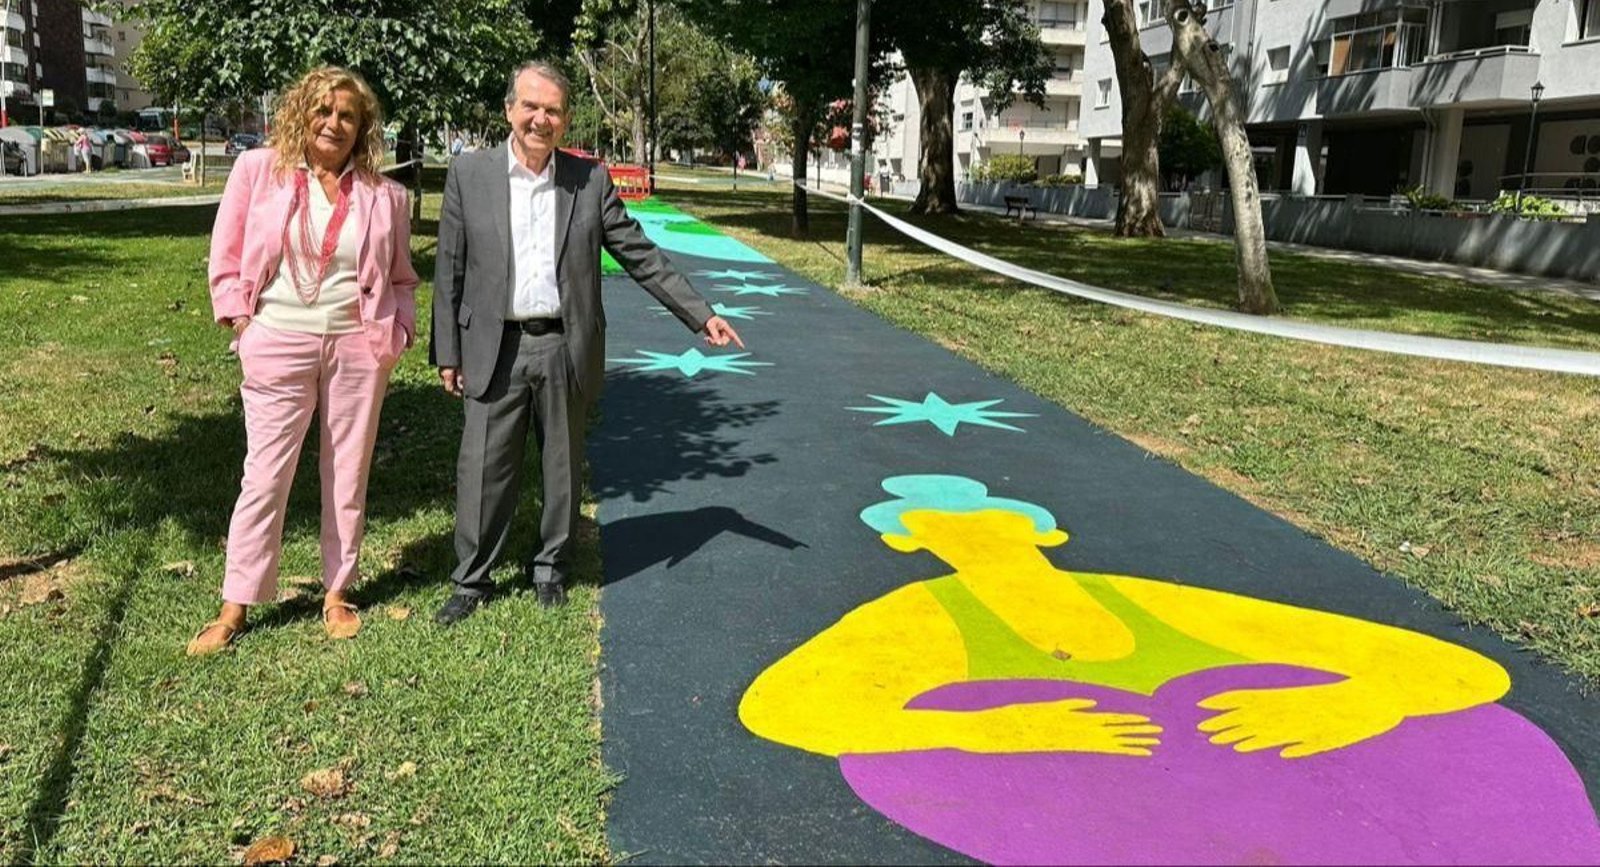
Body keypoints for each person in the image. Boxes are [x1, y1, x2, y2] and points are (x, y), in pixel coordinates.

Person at [739, 475, 1600, 863]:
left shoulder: (1149, 600)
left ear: (1047, 533)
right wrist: (997, 727)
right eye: (939, 530)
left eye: (996, 522)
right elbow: (786, 708)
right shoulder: (920, 618)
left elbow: (1446, 666)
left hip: (1294, 797)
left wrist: (1368, 699)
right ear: (911, 545)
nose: (975, 536)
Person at [429, 60, 744, 624]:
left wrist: (700, 315)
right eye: (530, 106)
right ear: (509, 109)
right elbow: (449, 269)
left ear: (566, 120)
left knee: (562, 465)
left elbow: (639, 253)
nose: (540, 119)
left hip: (562, 344)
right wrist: (447, 352)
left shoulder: (589, 180)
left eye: (552, 110)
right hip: (494, 345)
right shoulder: (469, 174)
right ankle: (471, 578)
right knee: (482, 468)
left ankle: (550, 568)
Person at [190, 66, 419, 656]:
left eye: (347, 116)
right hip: (278, 340)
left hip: (357, 347)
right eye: (323, 111)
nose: (333, 124)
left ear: (362, 128)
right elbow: (226, 254)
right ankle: (236, 602)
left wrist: (397, 335)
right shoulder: (257, 171)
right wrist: (242, 322)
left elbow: (401, 278)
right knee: (265, 474)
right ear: (301, 113)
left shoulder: (387, 196)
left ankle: (337, 591)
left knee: (348, 472)